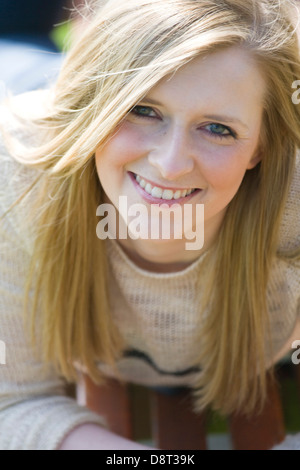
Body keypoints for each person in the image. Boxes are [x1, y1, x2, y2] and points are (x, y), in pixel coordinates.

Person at [0, 0, 300, 450]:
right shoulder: (17, 178)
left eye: (218, 128)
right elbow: (12, 403)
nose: (171, 163)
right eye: (142, 109)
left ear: (260, 147)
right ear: (96, 108)